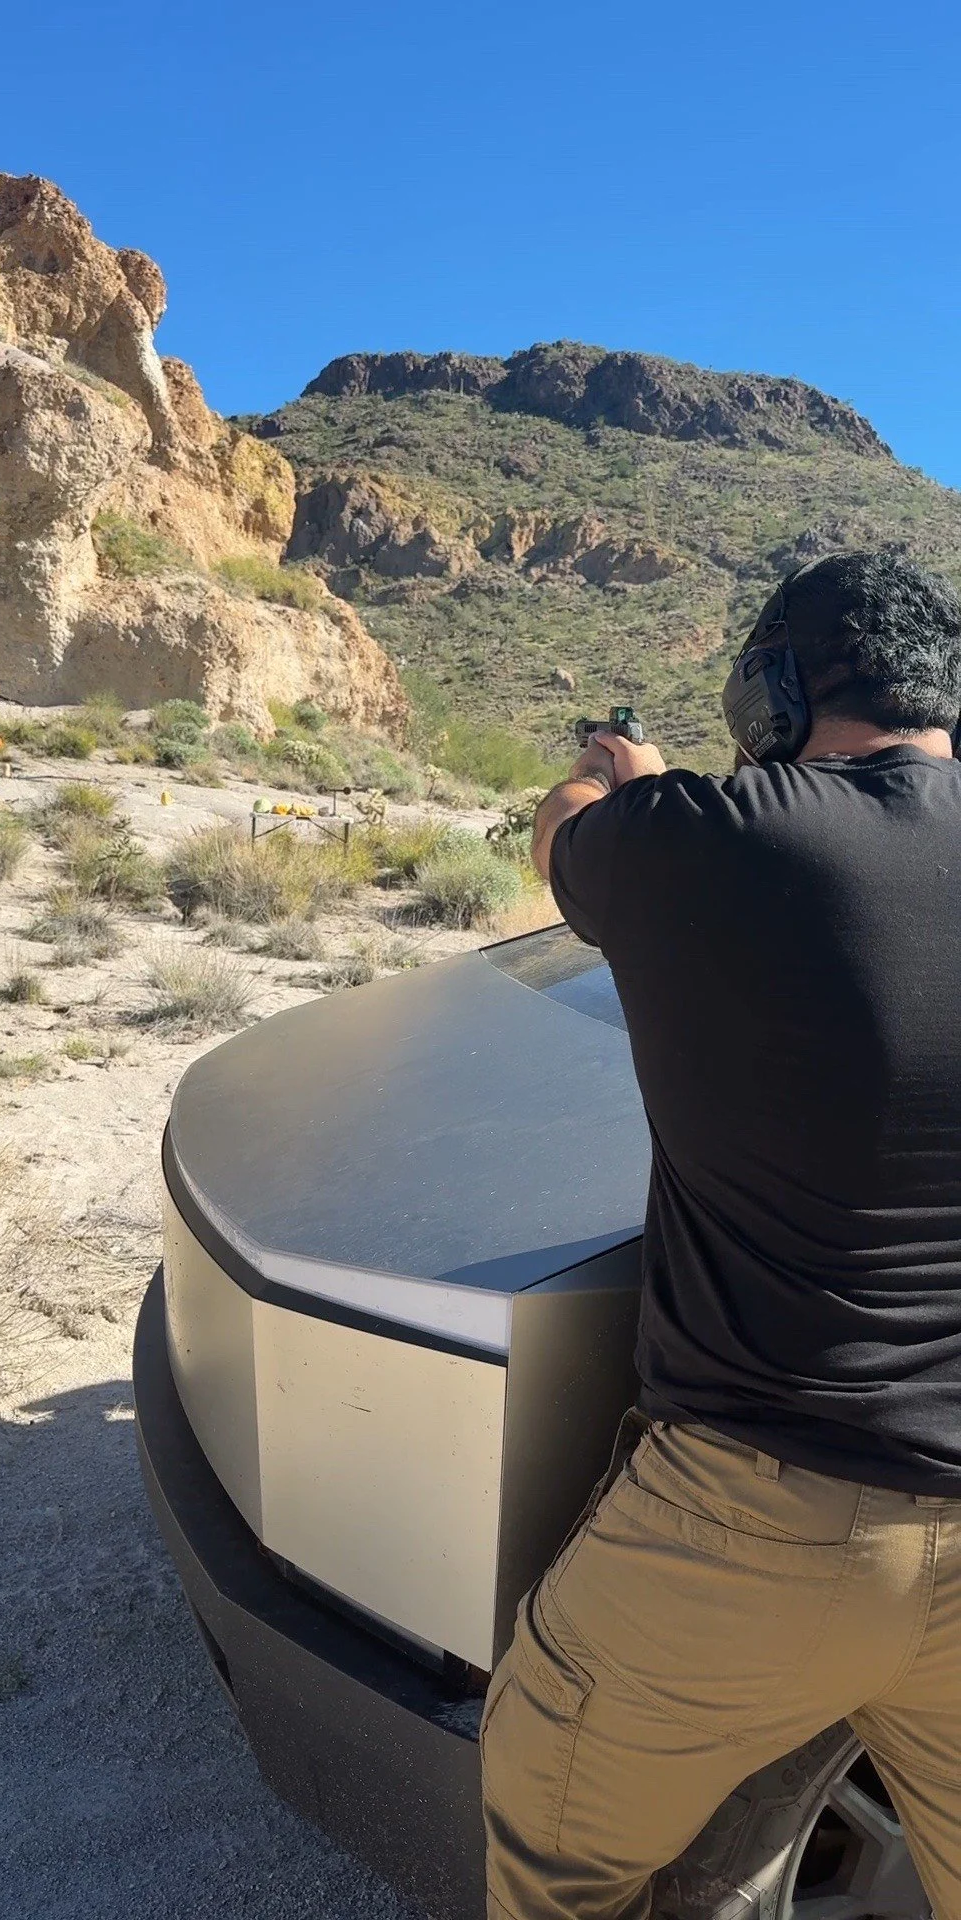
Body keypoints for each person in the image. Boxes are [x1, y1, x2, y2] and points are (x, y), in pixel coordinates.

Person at [481, 550, 961, 1920]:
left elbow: (567, 826)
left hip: (757, 1525)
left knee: (557, 1856)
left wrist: (623, 768)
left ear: (773, 692)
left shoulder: (708, 840)